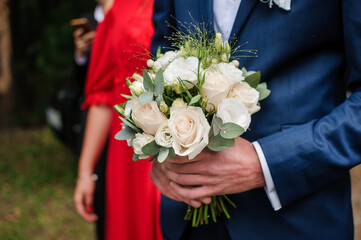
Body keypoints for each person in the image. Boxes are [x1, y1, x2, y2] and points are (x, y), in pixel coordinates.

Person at [150, 0, 361, 239]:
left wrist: (267, 164)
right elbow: (162, 61)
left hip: (295, 219)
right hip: (189, 218)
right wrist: (160, 149)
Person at [74, 0, 163, 239]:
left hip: (186, 140)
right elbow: (102, 98)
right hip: (128, 153)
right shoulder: (118, 12)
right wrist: (85, 172)